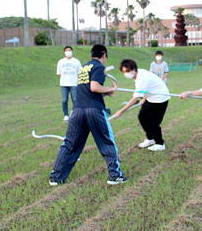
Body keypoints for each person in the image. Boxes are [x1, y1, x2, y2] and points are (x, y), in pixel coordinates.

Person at [49, 44, 127, 186]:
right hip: (94, 110)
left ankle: (56, 177)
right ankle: (115, 176)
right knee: (106, 142)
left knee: (69, 143)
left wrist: (107, 92)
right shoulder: (99, 67)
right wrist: (112, 88)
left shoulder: (84, 68)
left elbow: (89, 89)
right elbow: (94, 87)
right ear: (104, 55)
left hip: (78, 110)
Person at [113, 59, 170, 151]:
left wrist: (120, 112)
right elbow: (146, 89)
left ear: (134, 69)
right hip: (150, 98)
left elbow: (134, 99)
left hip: (160, 98)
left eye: (127, 71)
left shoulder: (141, 78)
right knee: (142, 117)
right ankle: (150, 138)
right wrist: (144, 99)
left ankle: (160, 143)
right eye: (123, 71)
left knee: (153, 121)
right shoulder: (138, 75)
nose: (125, 73)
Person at [57, 46, 82, 121]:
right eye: (66, 50)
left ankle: (74, 113)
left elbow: (79, 73)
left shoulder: (76, 61)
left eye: (69, 50)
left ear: (72, 51)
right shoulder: (61, 61)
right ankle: (66, 115)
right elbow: (59, 73)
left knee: (75, 100)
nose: (68, 52)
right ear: (64, 52)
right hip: (64, 84)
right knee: (64, 100)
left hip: (74, 83)